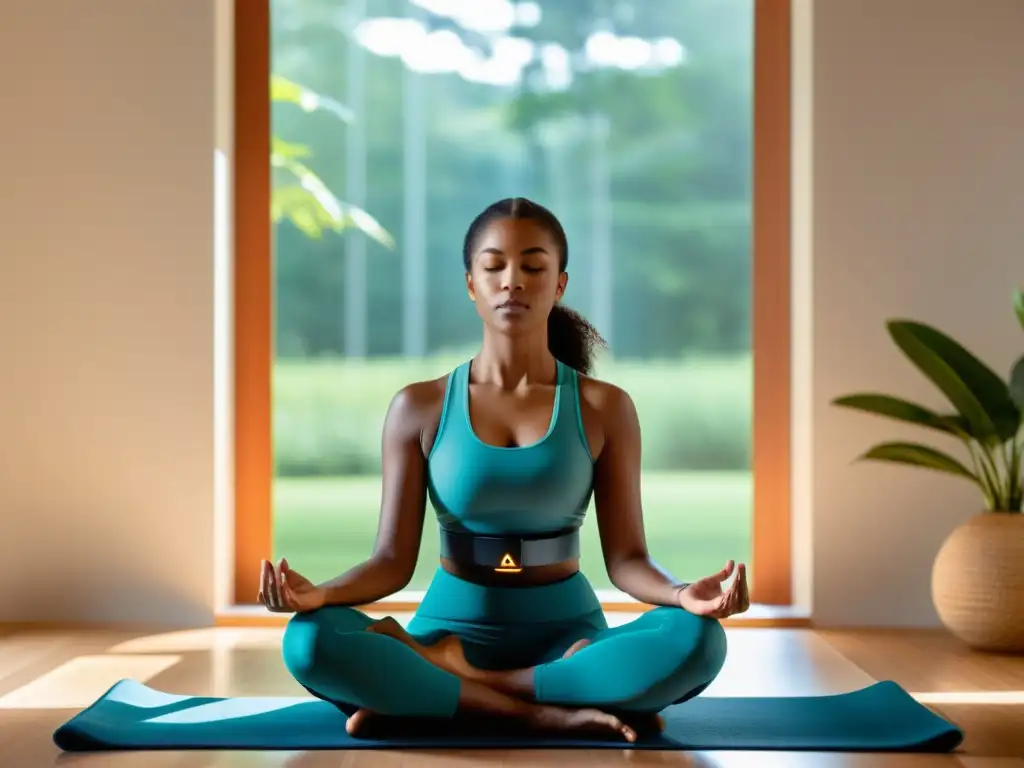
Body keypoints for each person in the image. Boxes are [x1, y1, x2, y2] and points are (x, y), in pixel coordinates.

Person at [257, 197, 750, 743]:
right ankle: (539, 710)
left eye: (533, 267)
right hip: (446, 628)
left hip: (568, 640)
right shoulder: (418, 407)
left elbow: (627, 561)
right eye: (494, 266)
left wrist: (683, 595)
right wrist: (320, 596)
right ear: (471, 284)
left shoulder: (605, 406)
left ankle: (441, 693)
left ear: (559, 284)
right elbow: (391, 562)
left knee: (699, 641)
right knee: (308, 640)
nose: (512, 281)